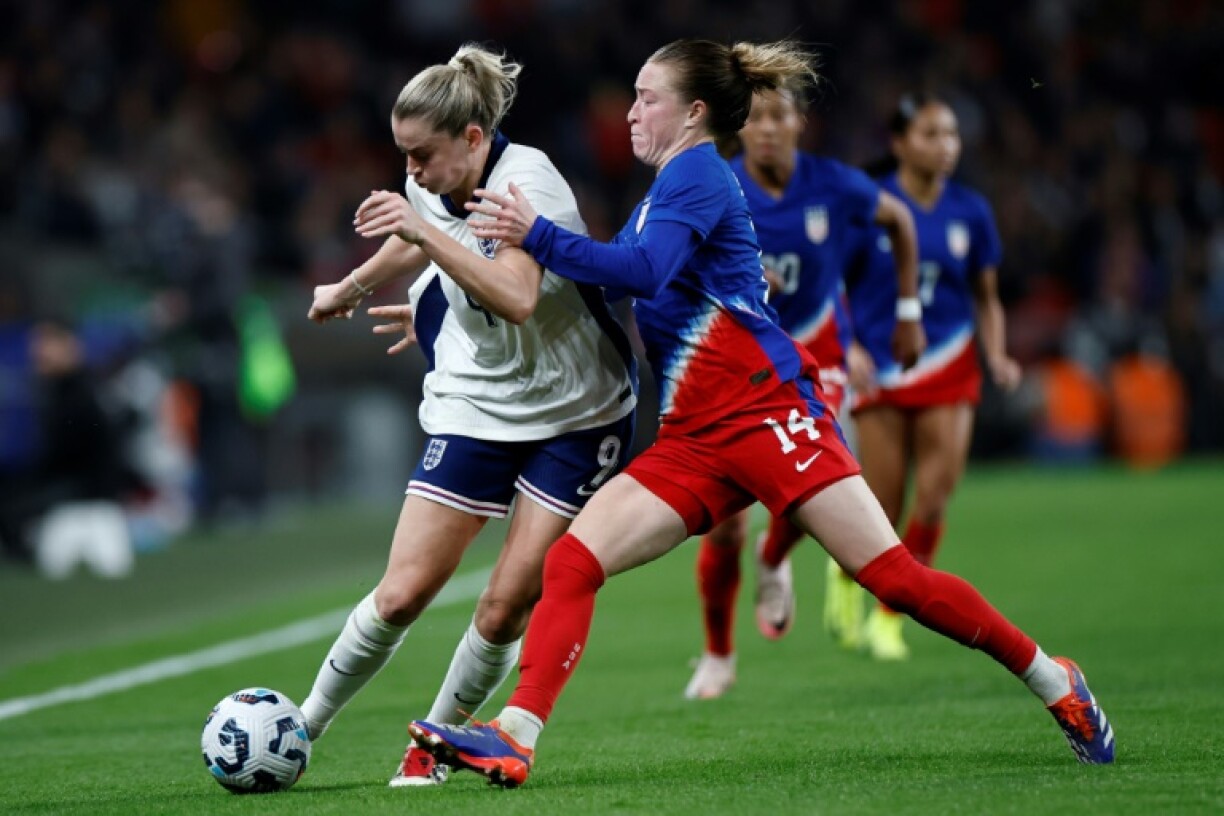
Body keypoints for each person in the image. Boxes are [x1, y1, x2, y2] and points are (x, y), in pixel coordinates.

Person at [408, 39, 1114, 787]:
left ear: (695, 112)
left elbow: (642, 272)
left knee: (897, 581)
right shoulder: (668, 188)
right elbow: (606, 278)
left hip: (768, 414)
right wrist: (453, 301)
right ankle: (515, 735)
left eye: (647, 97)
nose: (632, 111)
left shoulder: (698, 175)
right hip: (695, 437)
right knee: (573, 562)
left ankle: (1055, 679)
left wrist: (538, 235)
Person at [298, 43, 637, 788]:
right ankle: (302, 728)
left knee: (504, 603)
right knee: (401, 593)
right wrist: (352, 285)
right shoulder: (434, 177)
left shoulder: (528, 186)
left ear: (475, 140)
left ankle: (435, 746)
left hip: (575, 411)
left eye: (422, 155)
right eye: (403, 156)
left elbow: (516, 294)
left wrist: (423, 239)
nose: (411, 171)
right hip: (479, 398)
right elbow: (417, 222)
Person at [684, 82, 925, 700]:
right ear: (740, 128)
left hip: (821, 353)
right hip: (744, 361)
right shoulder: (719, 190)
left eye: (779, 116)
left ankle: (775, 556)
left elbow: (898, 221)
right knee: (724, 526)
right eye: (755, 118)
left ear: (800, 123)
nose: (767, 128)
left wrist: (904, 312)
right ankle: (717, 654)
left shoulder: (835, 184)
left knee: (820, 482)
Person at [834, 92, 1024, 661]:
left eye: (952, 135)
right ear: (899, 144)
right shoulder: (868, 206)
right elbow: (831, 285)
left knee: (935, 497)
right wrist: (848, 349)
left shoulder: (971, 211)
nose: (946, 147)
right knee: (883, 505)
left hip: (949, 364)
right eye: (931, 135)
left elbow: (987, 298)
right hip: (882, 370)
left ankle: (889, 620)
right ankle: (845, 582)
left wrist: (997, 354)